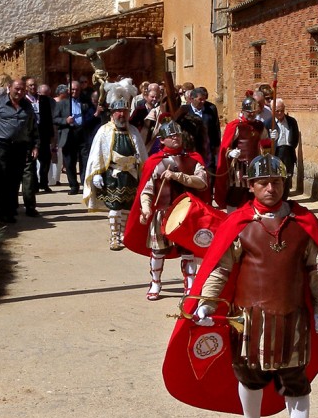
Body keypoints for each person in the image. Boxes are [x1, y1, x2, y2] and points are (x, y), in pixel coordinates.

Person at [182, 142, 318, 418]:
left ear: (284, 184)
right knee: (250, 377)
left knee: (296, 380)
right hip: (249, 319)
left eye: (276, 182)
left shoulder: (303, 222)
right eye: (263, 182)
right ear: (250, 186)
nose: (270, 188)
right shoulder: (239, 223)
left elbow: (317, 270)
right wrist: (206, 303)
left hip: (294, 318)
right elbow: (219, 269)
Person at [123, 119, 210, 300]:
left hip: (186, 213)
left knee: (188, 251)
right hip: (162, 213)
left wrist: (178, 176)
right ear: (162, 140)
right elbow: (147, 189)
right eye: (170, 136)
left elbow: (202, 183)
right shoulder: (155, 162)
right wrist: (146, 208)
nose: (175, 138)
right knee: (158, 251)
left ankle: (190, 287)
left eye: (177, 134)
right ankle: (155, 282)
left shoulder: (193, 158)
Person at [83, 81, 147, 251]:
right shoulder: (104, 131)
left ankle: (123, 235)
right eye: (118, 111)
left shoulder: (133, 131)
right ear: (112, 113)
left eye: (124, 111)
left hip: (131, 175)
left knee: (127, 206)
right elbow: (97, 153)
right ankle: (114, 236)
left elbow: (141, 152)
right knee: (114, 207)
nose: (121, 115)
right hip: (113, 175)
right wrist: (96, 173)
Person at [0, 78, 39, 223]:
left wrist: (35, 145)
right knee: (1, 179)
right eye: (17, 89)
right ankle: (1, 213)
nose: (19, 92)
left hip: (20, 146)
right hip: (0, 145)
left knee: (14, 179)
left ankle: (11, 211)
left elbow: (32, 128)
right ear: (9, 88)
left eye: (22, 90)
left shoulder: (27, 106)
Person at [215, 91, 268, 212]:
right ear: (243, 111)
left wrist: (272, 139)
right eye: (249, 112)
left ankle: (251, 219)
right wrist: (231, 152)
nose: (251, 115)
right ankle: (232, 218)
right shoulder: (236, 126)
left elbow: (265, 143)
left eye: (254, 113)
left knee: (254, 193)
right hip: (239, 166)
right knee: (236, 194)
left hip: (255, 166)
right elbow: (225, 147)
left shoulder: (260, 126)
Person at [52, 81, 96, 195]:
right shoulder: (62, 104)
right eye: (72, 89)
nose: (74, 92)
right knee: (69, 162)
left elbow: (91, 116)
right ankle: (73, 185)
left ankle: (84, 182)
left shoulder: (85, 103)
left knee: (84, 160)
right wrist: (65, 121)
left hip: (82, 134)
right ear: (68, 91)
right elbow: (55, 119)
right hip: (69, 134)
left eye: (77, 90)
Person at [59, 38, 126, 105]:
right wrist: (66, 50)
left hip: (104, 74)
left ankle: (105, 100)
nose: (91, 59)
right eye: (90, 57)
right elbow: (76, 53)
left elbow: (109, 49)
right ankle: (100, 101)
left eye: (92, 57)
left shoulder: (99, 54)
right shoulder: (88, 57)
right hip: (97, 74)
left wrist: (117, 43)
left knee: (107, 87)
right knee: (103, 84)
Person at [180, 86, 220, 178]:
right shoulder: (184, 110)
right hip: (191, 149)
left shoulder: (211, 109)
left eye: (204, 99)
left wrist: (216, 146)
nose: (203, 102)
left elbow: (215, 128)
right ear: (192, 99)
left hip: (207, 149)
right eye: (200, 99)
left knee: (209, 174)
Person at [24, 76, 54, 195]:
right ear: (26, 87)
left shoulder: (44, 99)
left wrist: (51, 134)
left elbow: (49, 117)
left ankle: (44, 182)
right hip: (31, 134)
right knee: (32, 159)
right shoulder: (24, 100)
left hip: (44, 133)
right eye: (30, 85)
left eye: (34, 85)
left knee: (46, 159)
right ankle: (34, 184)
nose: (33, 87)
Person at [272, 99, 301, 197]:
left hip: (288, 153)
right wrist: (271, 139)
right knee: (277, 179)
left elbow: (295, 138)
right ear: (273, 111)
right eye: (277, 111)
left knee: (287, 178)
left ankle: (285, 200)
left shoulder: (291, 121)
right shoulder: (269, 123)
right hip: (276, 153)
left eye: (282, 110)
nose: (280, 113)